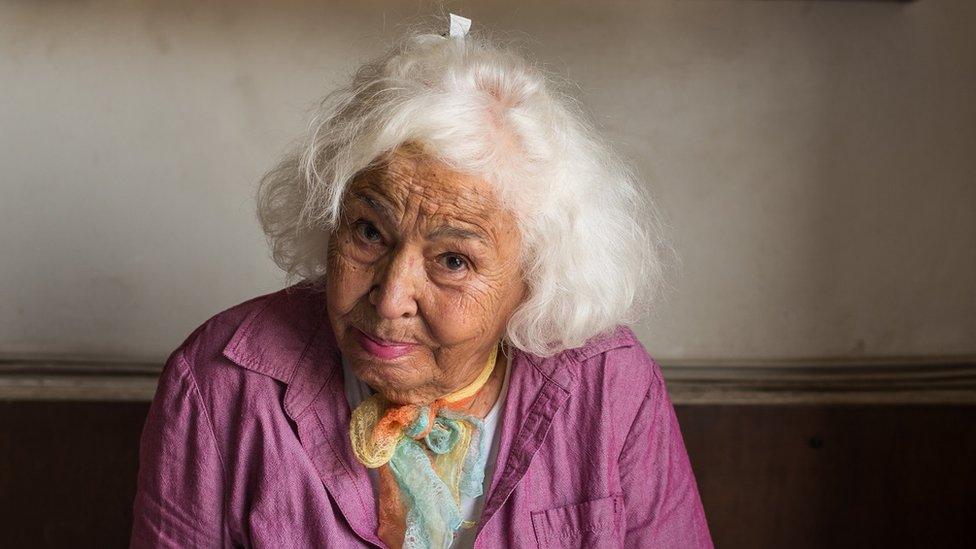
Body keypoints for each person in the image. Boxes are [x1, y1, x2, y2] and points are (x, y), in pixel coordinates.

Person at [130, 16, 712, 549]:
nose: (389, 298)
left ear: (534, 278)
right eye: (368, 232)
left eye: (453, 260)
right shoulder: (221, 380)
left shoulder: (611, 384)